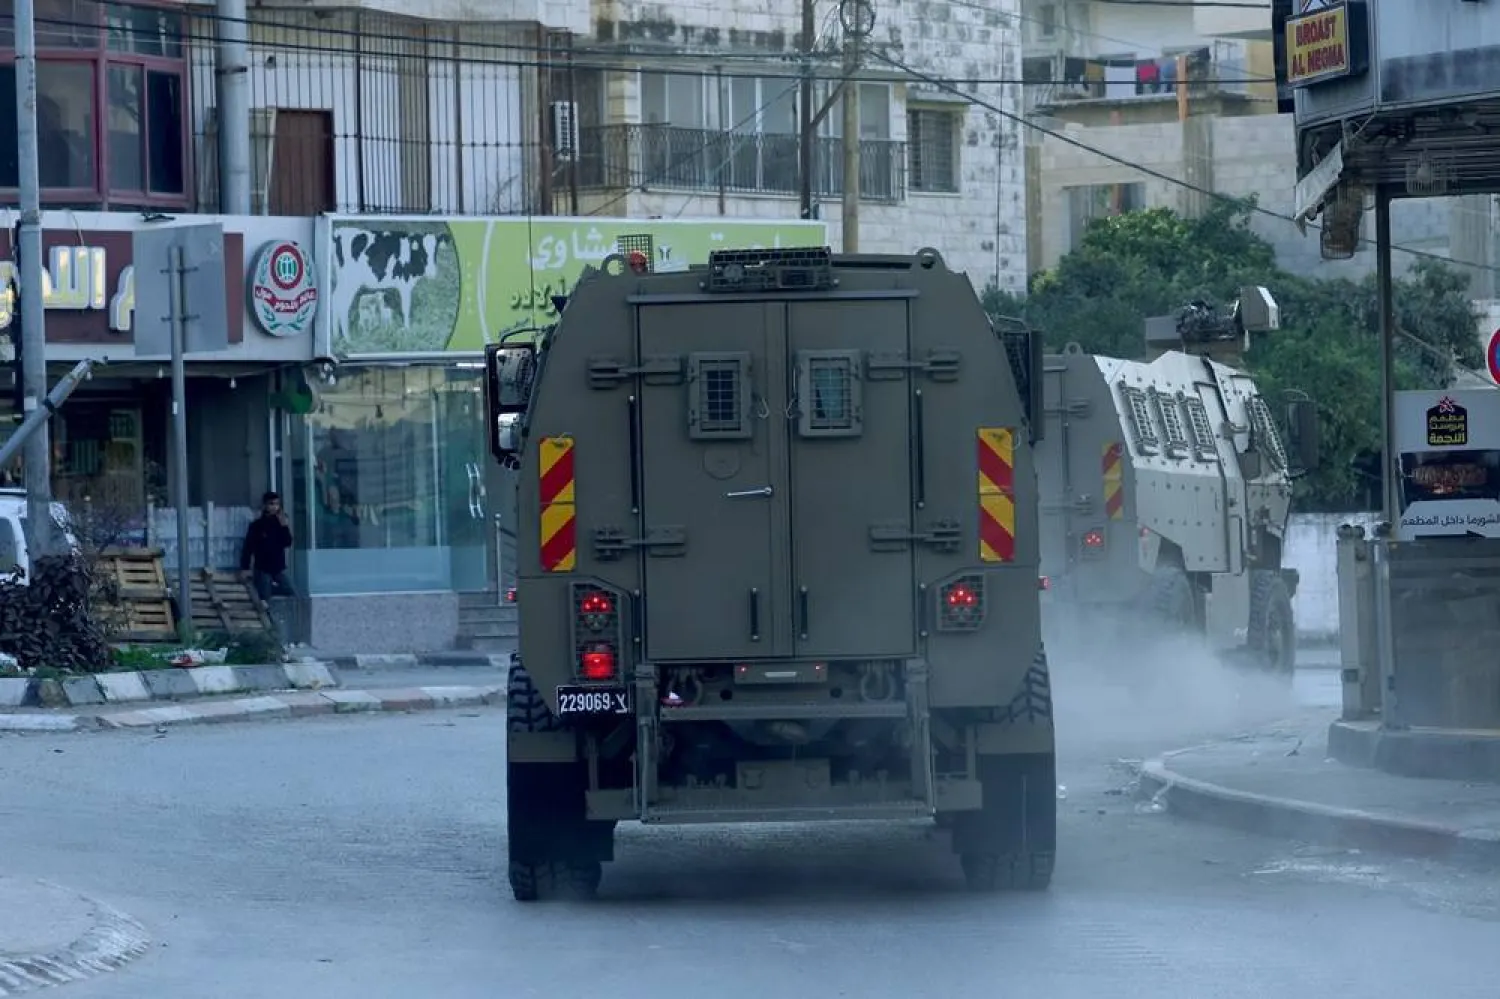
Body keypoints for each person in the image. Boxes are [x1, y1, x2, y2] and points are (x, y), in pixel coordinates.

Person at [240, 491, 294, 601]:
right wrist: (245, 567)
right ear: (265, 505)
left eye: (277, 504)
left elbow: (287, 542)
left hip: (278, 568)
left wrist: (284, 527)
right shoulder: (257, 526)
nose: (275, 507)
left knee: (289, 592)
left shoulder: (280, 524)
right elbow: (248, 548)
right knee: (265, 596)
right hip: (263, 568)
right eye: (271, 504)